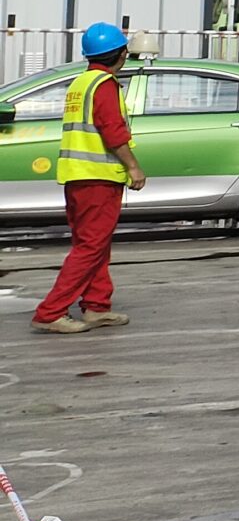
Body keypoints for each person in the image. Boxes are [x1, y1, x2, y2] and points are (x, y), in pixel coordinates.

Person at [30, 23, 146, 335]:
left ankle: (96, 306)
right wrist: (134, 168)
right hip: (98, 178)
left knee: (94, 243)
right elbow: (113, 132)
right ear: (121, 55)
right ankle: (50, 311)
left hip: (78, 176)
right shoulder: (105, 85)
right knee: (91, 246)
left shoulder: (81, 83)